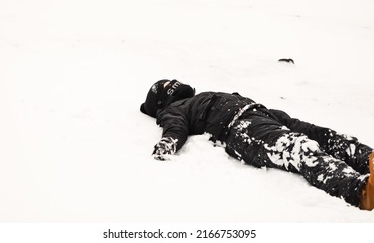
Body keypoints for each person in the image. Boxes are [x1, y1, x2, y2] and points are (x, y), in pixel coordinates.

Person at [140, 79, 374, 210]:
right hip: (238, 128)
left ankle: (367, 157)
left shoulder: (197, 97)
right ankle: (360, 190)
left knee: (323, 135)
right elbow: (175, 127)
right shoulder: (174, 109)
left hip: (262, 113)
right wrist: (168, 143)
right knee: (297, 148)